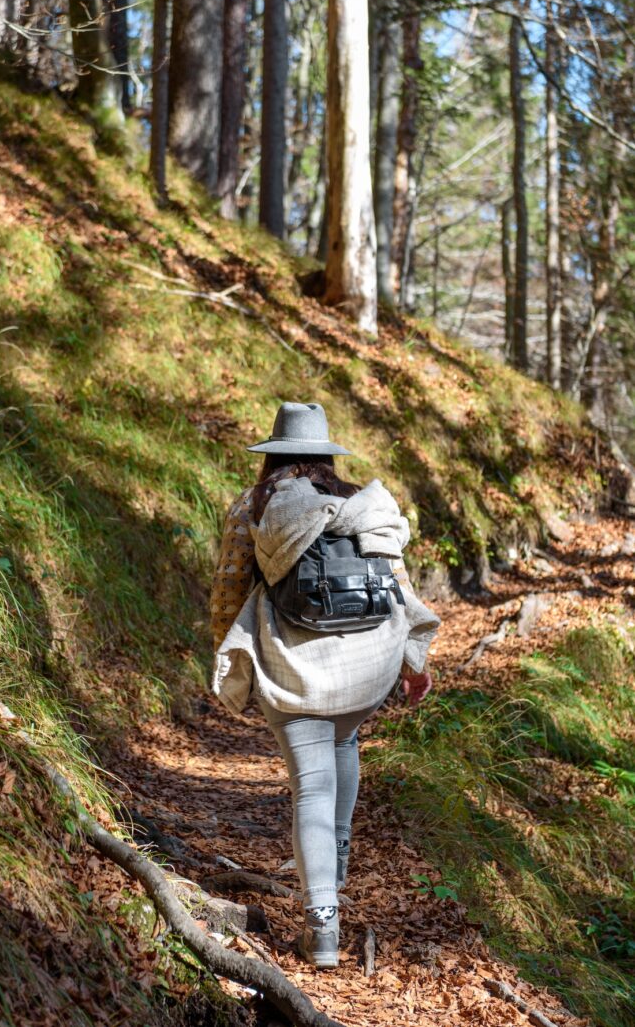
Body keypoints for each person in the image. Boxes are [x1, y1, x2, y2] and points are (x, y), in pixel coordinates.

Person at [210, 402, 440, 969]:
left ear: (273, 455)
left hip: (297, 669)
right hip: (366, 669)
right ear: (325, 454)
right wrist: (414, 662)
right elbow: (398, 586)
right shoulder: (361, 502)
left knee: (311, 787)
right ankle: (332, 871)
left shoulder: (256, 505)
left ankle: (323, 927)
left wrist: (230, 656)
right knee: (345, 744)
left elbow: (229, 586)